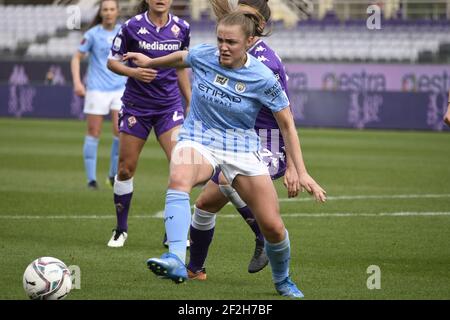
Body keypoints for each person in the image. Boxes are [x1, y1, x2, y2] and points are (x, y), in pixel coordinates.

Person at [125, 10, 326, 298]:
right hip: (198, 138)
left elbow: (287, 123)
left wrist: (301, 170)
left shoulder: (262, 76)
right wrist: (151, 62)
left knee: (272, 226)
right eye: (220, 39)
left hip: (241, 149)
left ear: (248, 43)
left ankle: (282, 281)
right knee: (180, 177)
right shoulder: (205, 55)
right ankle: (176, 258)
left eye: (231, 42)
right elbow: (182, 57)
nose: (223, 46)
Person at [186, 0, 299, 280]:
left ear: (257, 28)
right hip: (236, 141)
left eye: (247, 16)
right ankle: (194, 270)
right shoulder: (234, 48)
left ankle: (262, 235)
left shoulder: (266, 63)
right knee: (203, 206)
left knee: (226, 180)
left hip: (267, 141)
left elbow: (286, 118)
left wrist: (296, 167)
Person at [106, 0, 191, 247]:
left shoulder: (182, 28)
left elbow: (181, 66)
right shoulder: (131, 26)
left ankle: (173, 232)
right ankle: (121, 229)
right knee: (125, 169)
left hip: (169, 107)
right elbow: (112, 61)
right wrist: (133, 73)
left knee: (181, 167)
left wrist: (191, 100)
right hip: (137, 107)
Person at [71, 0, 126, 190]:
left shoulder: (124, 31)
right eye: (105, 10)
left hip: (120, 89)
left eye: (112, 9)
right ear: (101, 13)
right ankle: (91, 180)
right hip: (96, 89)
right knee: (94, 132)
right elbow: (76, 58)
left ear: (117, 12)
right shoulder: (92, 34)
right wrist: (78, 82)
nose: (109, 13)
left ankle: (112, 174)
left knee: (120, 132)